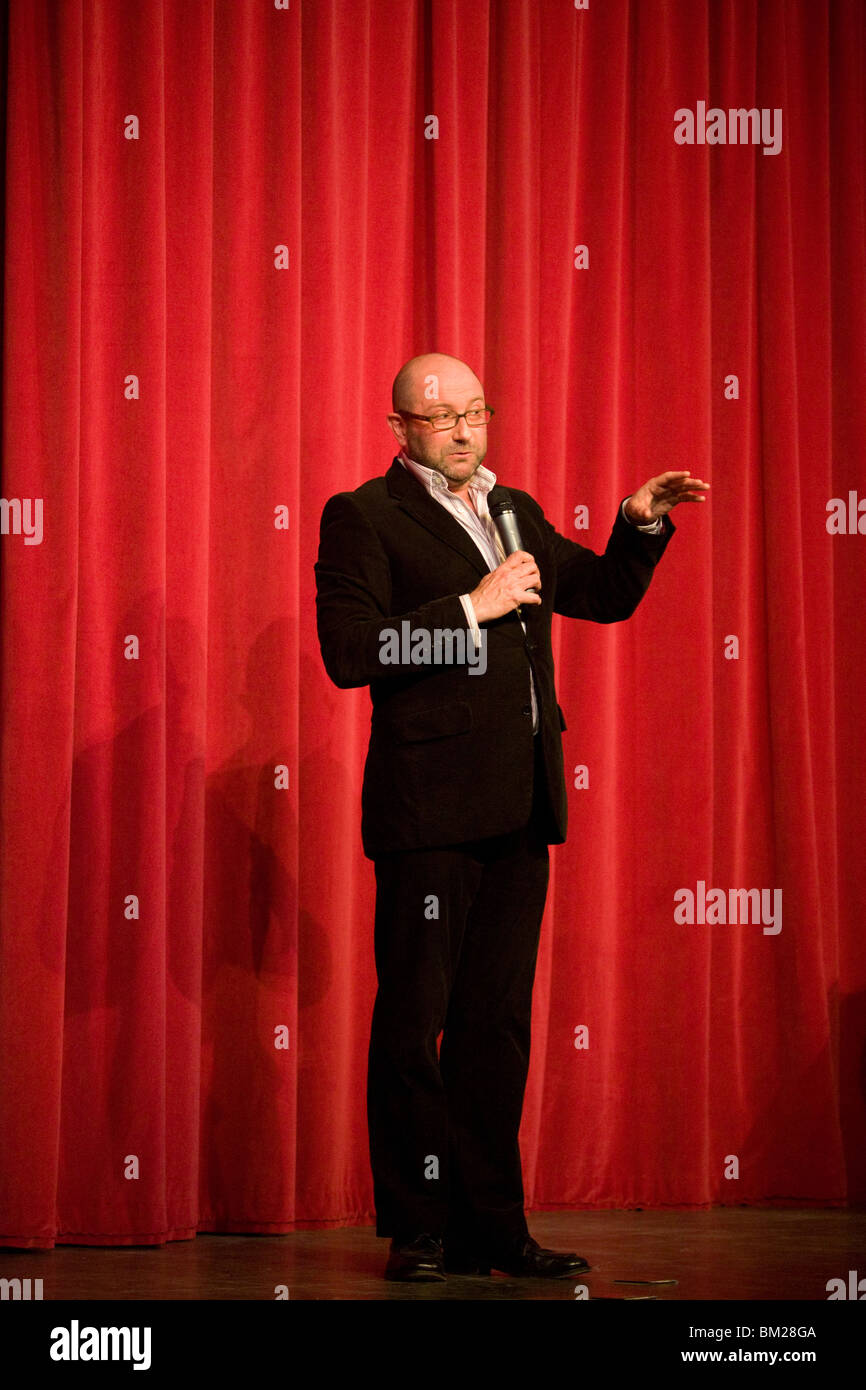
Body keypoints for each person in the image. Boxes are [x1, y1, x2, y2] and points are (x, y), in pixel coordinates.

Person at [314, 352, 708, 1282]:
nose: (462, 429)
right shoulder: (364, 515)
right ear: (400, 428)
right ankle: (419, 1228)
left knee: (496, 1027)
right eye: (439, 415)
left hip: (520, 806)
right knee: (417, 1023)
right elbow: (350, 651)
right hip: (429, 813)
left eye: (475, 412)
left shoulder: (514, 510)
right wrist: (472, 607)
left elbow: (599, 597)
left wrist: (638, 525)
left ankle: (494, 1225)